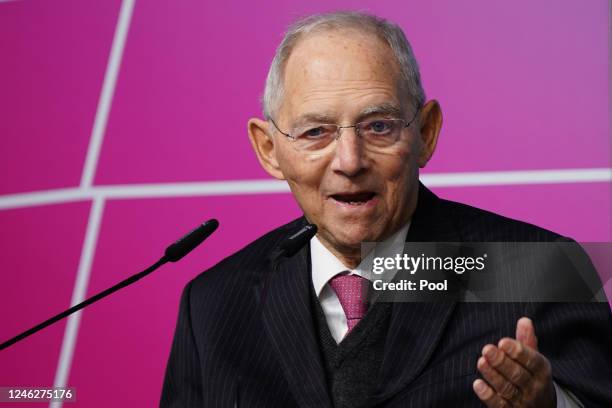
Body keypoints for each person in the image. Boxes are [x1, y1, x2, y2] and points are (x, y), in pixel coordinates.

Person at [160, 11, 612, 407]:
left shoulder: (539, 269)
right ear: (269, 149)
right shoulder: (215, 305)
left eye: (378, 126)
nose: (350, 161)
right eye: (316, 132)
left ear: (427, 133)